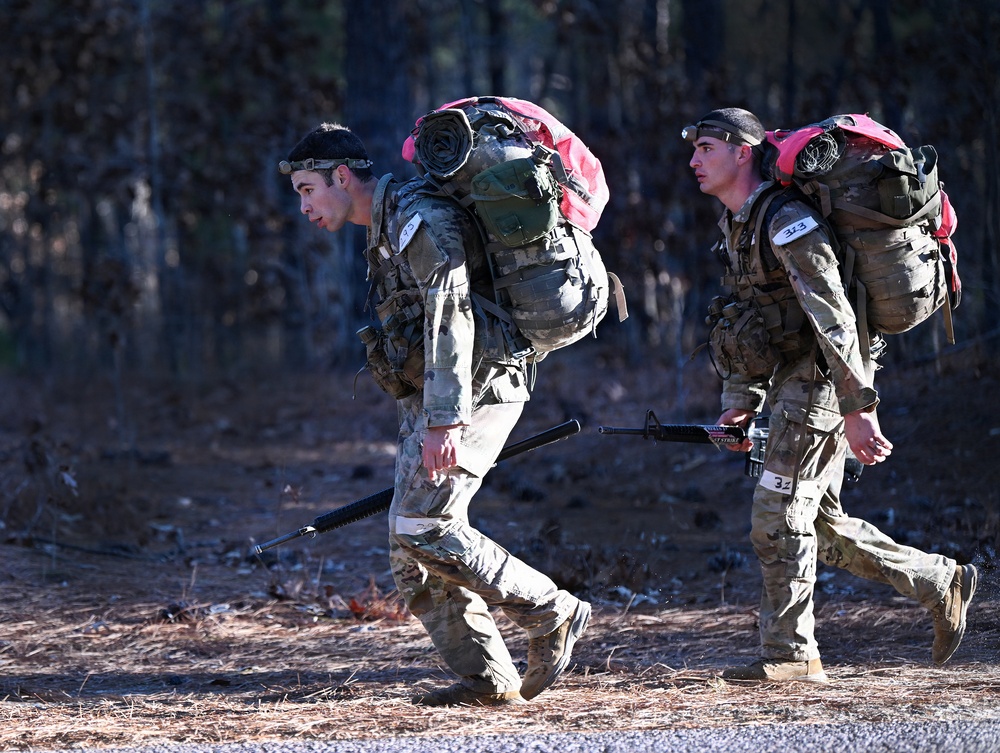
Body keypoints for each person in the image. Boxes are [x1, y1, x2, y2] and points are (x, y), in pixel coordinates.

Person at [280, 123, 590, 706]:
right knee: (411, 554)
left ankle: (552, 610)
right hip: (435, 398)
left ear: (341, 177)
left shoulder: (417, 218)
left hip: (478, 389)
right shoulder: (384, 226)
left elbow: (452, 314)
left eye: (306, 189)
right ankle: (487, 681)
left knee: (426, 526)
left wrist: (445, 420)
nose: (304, 207)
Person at [683, 107, 977, 683]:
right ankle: (942, 580)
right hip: (799, 381)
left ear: (742, 153)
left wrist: (857, 407)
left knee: (777, 518)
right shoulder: (738, 224)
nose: (694, 160)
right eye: (693, 150)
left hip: (823, 381)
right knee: (818, 527)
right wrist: (738, 402)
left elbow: (833, 313)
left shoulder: (786, 218)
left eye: (707, 148)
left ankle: (790, 657)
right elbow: (750, 317)